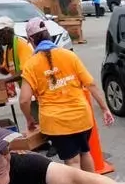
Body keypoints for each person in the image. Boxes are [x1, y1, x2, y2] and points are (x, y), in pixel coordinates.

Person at [20, 18, 114, 172]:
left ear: (30, 40)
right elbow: (91, 84)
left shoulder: (31, 64)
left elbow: (24, 100)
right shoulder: (69, 56)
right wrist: (105, 109)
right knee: (85, 153)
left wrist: (30, 120)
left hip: (56, 124)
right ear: (48, 35)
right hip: (82, 118)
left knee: (72, 162)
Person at [0, 16, 33, 83]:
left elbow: (25, 72)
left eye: (0, 34)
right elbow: (6, 71)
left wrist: (3, 81)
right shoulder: (8, 49)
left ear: (8, 32)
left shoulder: (22, 45)